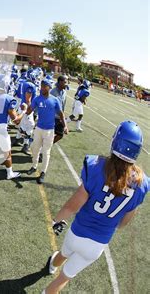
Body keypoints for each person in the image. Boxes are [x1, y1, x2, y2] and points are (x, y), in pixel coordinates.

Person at [44, 121, 148, 294]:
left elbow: (72, 205)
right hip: (98, 244)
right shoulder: (142, 184)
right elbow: (123, 223)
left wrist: (57, 220)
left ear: (115, 140)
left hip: (77, 232)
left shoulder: (96, 166)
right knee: (64, 279)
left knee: (64, 253)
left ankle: (52, 266)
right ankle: (53, 271)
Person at [24, 79, 68, 184]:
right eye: (41, 86)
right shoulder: (37, 99)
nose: (42, 88)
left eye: (44, 86)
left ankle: (43, 172)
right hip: (39, 128)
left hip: (49, 130)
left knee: (46, 152)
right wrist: (27, 105)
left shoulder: (55, 100)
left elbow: (61, 114)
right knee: (35, 149)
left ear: (49, 87)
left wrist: (65, 126)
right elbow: (29, 110)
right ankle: (34, 166)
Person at [50, 75, 68, 143]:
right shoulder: (53, 92)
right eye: (65, 82)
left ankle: (47, 146)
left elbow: (63, 105)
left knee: (60, 135)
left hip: (60, 117)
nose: (66, 84)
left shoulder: (64, 92)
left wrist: (62, 117)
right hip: (52, 117)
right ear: (60, 82)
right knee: (49, 134)